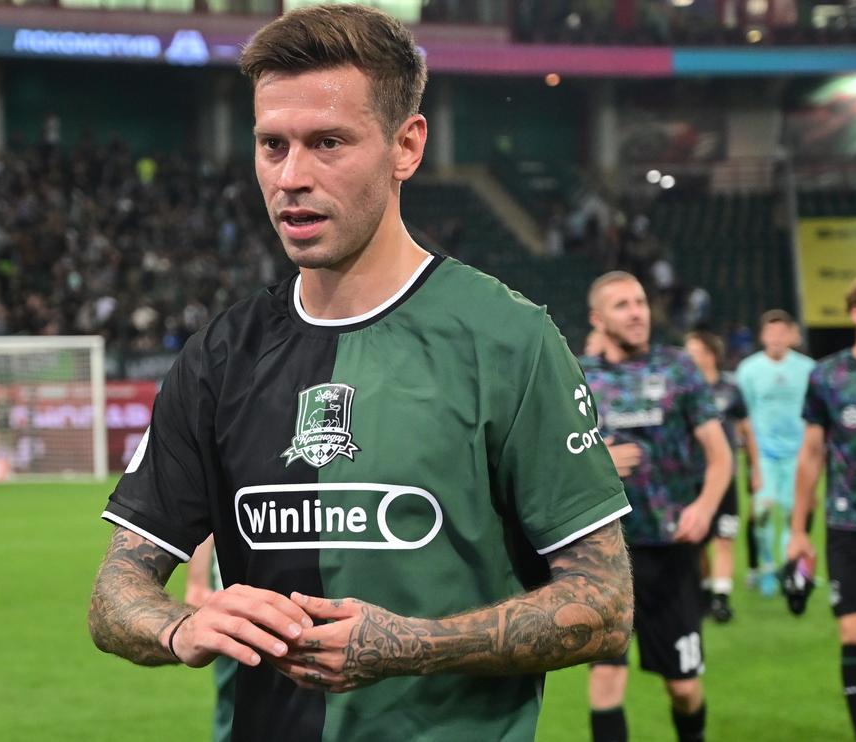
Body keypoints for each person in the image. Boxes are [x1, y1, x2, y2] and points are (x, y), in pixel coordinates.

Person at [87, 7, 634, 741]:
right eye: (272, 145)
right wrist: (179, 626)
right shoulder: (219, 355)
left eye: (328, 143)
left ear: (406, 146)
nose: (292, 177)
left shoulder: (509, 340)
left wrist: (414, 646)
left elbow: (605, 601)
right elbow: (116, 589)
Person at [581, 271, 733, 742]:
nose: (637, 313)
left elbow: (720, 454)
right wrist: (597, 462)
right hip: (606, 554)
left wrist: (704, 507)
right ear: (597, 319)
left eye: (640, 302)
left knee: (683, 687)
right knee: (605, 680)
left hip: (671, 552)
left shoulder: (678, 369)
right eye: (622, 305)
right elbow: (547, 459)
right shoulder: (578, 376)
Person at [787, 270, 856, 742]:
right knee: (854, 634)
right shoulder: (829, 376)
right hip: (851, 528)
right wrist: (798, 530)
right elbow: (811, 455)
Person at [736, 309, 816, 595]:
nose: (777, 337)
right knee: (763, 512)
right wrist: (751, 461)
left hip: (798, 454)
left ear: (792, 335)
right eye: (771, 332)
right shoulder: (748, 370)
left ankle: (788, 569)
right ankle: (767, 567)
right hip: (764, 455)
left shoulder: (808, 369)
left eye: (782, 332)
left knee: (796, 514)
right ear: (762, 336)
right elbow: (743, 417)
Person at [684, 330, 760, 623]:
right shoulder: (683, 389)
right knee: (695, 540)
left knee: (724, 537)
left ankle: (722, 598)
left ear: (710, 355)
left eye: (694, 351)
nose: (688, 357)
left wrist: (755, 469)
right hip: (691, 476)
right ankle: (705, 590)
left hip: (724, 476)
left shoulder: (730, 388)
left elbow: (746, 430)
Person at [185, 536, 236, 742]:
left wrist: (196, 582)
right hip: (238, 602)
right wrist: (197, 582)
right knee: (236, 707)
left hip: (237, 598)